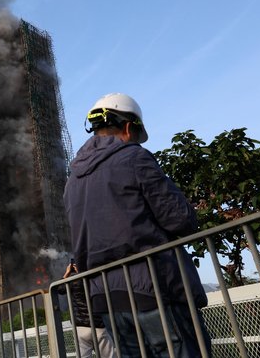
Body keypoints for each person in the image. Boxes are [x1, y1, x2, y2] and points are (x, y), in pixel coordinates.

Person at [63, 93, 211, 357]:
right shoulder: (134, 157)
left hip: (107, 299)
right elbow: (180, 220)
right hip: (152, 288)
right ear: (129, 127)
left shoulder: (72, 181)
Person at [57, 260, 116, 358]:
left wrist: (67, 273)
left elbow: (59, 289)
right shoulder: (96, 277)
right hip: (98, 324)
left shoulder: (73, 281)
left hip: (80, 327)